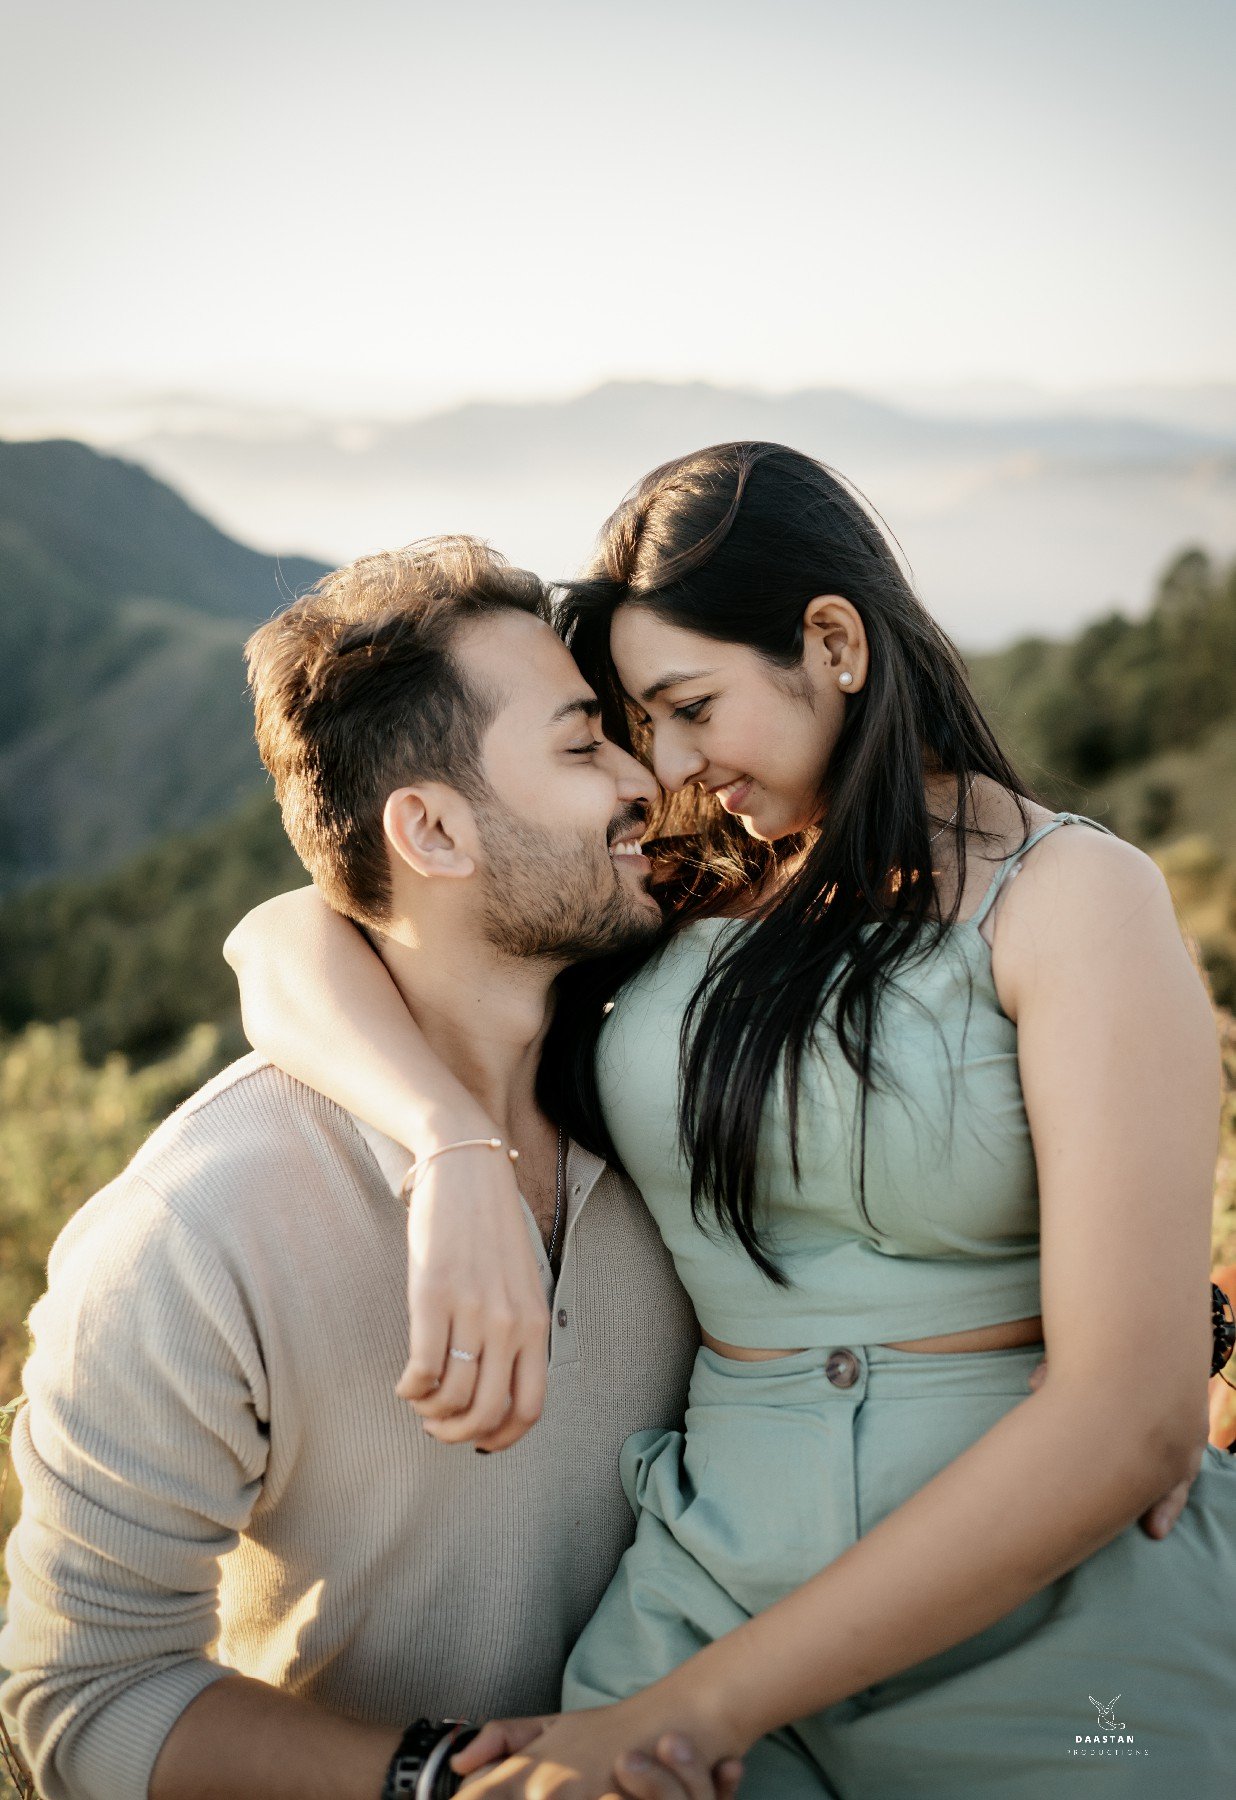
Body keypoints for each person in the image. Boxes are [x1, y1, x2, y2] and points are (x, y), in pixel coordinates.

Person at [222, 447, 1231, 1796]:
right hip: (705, 1586)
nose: (673, 766)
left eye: (690, 706)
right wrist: (445, 1147)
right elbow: (294, 933)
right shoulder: (693, 886)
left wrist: (690, 1716)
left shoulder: (1070, 898)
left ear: (831, 642)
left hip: (1054, 1625)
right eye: (641, 725)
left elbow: (1133, 1420)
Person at [0, 538, 744, 1800]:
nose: (643, 779)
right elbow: (82, 1698)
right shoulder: (195, 1227)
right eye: (582, 746)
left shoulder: (684, 1103)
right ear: (434, 829)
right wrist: (447, 1784)